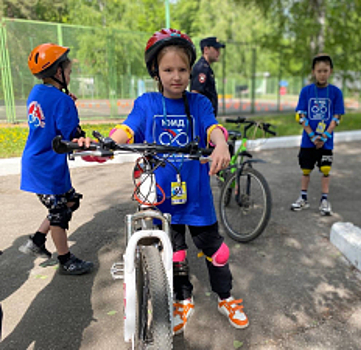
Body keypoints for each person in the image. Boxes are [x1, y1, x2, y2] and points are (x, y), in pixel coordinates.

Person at [87, 28, 248, 334]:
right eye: (168, 70)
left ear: (191, 69)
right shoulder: (147, 103)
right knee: (175, 254)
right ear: (155, 72)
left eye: (183, 69)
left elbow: (213, 127)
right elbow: (128, 128)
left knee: (219, 252)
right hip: (163, 199)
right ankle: (182, 300)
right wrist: (108, 143)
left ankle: (225, 297)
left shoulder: (198, 103)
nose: (176, 76)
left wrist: (222, 143)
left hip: (197, 196)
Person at [19, 43, 94, 275]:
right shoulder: (63, 101)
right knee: (59, 214)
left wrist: (65, 101)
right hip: (46, 168)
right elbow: (71, 133)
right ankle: (66, 260)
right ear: (58, 73)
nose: (70, 76)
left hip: (38, 162)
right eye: (69, 72)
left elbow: (48, 110)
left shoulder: (37, 92)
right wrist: (72, 112)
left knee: (70, 201)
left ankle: (38, 240)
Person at [290, 53, 345, 215]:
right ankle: (303, 198)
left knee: (325, 170)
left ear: (331, 71)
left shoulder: (336, 93)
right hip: (309, 141)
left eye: (325, 70)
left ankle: (324, 200)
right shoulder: (306, 91)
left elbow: (337, 116)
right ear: (313, 71)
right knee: (306, 170)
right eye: (319, 71)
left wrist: (325, 136)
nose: (322, 74)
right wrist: (313, 136)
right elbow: (300, 115)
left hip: (326, 142)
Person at [190, 36, 225, 117]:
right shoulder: (202, 68)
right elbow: (195, 93)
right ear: (206, 50)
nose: (218, 53)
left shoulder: (206, 68)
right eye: (216, 49)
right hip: (203, 117)